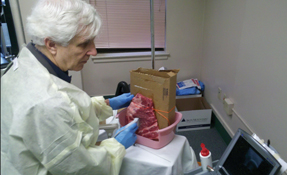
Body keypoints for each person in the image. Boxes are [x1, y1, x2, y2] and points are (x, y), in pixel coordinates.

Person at [1, 0, 138, 174]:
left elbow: (65, 110)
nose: (94, 51)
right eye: (83, 44)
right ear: (51, 45)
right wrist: (116, 147)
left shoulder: (27, 59)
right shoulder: (46, 102)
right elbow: (81, 168)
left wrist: (104, 105)